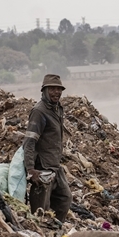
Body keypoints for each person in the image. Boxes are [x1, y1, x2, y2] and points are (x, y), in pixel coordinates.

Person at [23, 74, 72, 221]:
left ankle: (55, 228)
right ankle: (41, 234)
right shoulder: (39, 111)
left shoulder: (57, 109)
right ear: (44, 90)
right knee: (40, 209)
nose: (56, 92)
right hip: (42, 168)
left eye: (59, 89)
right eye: (52, 89)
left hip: (55, 166)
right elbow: (29, 142)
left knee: (65, 198)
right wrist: (31, 169)